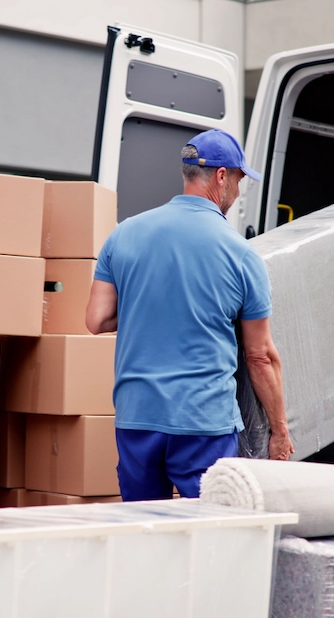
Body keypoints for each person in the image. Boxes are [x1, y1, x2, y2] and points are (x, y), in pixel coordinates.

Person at [85, 128, 294, 501]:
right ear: (221, 176)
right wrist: (279, 429)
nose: (239, 189)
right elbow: (259, 356)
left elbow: (96, 319)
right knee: (210, 531)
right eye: (240, 179)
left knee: (143, 529)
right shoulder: (241, 254)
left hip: (137, 415)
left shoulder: (124, 234)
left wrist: (149, 305)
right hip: (203, 422)